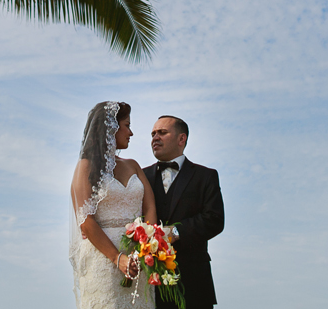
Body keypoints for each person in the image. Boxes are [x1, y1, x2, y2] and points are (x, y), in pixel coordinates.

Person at [71, 101, 158, 308]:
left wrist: (143, 248)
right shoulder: (86, 167)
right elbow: (85, 220)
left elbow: (150, 207)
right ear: (112, 126)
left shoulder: (133, 165)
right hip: (103, 259)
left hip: (138, 260)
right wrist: (118, 258)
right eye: (127, 125)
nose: (131, 132)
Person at [144, 115, 224, 307]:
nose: (155, 137)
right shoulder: (140, 176)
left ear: (182, 139)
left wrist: (175, 232)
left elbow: (214, 219)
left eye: (162, 132)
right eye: (153, 133)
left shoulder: (206, 176)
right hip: (149, 286)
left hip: (194, 283)